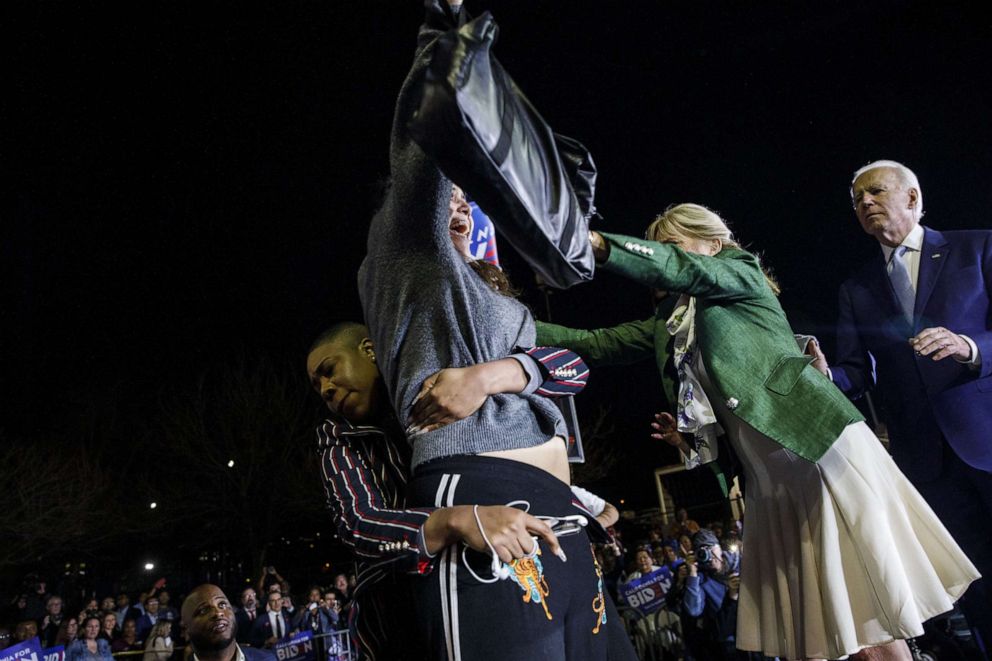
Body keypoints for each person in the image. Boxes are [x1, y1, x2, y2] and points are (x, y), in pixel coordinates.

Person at [579, 203, 978, 660]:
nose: (662, 259)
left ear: (713, 243)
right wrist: (515, 327)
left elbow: (683, 270)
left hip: (814, 452)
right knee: (833, 630)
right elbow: (598, 343)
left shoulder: (739, 271)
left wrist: (596, 243)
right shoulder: (670, 324)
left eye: (671, 246)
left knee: (869, 617)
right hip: (770, 481)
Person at [307, 322, 592, 659]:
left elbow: (574, 367)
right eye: (317, 385)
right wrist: (457, 520)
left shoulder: (443, 371)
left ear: (370, 350)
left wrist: (486, 377)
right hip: (407, 618)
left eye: (329, 370)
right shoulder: (337, 435)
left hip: (516, 577)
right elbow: (358, 522)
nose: (325, 388)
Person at [814, 159, 992, 650]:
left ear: (912, 197)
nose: (865, 203)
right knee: (974, 581)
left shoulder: (977, 247)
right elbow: (856, 371)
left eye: (875, 192)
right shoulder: (857, 288)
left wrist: (971, 348)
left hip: (986, 437)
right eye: (857, 200)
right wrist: (827, 375)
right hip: (926, 461)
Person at [181, 584, 275, 661]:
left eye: (222, 604)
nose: (218, 613)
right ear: (186, 629)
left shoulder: (267, 658)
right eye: (203, 610)